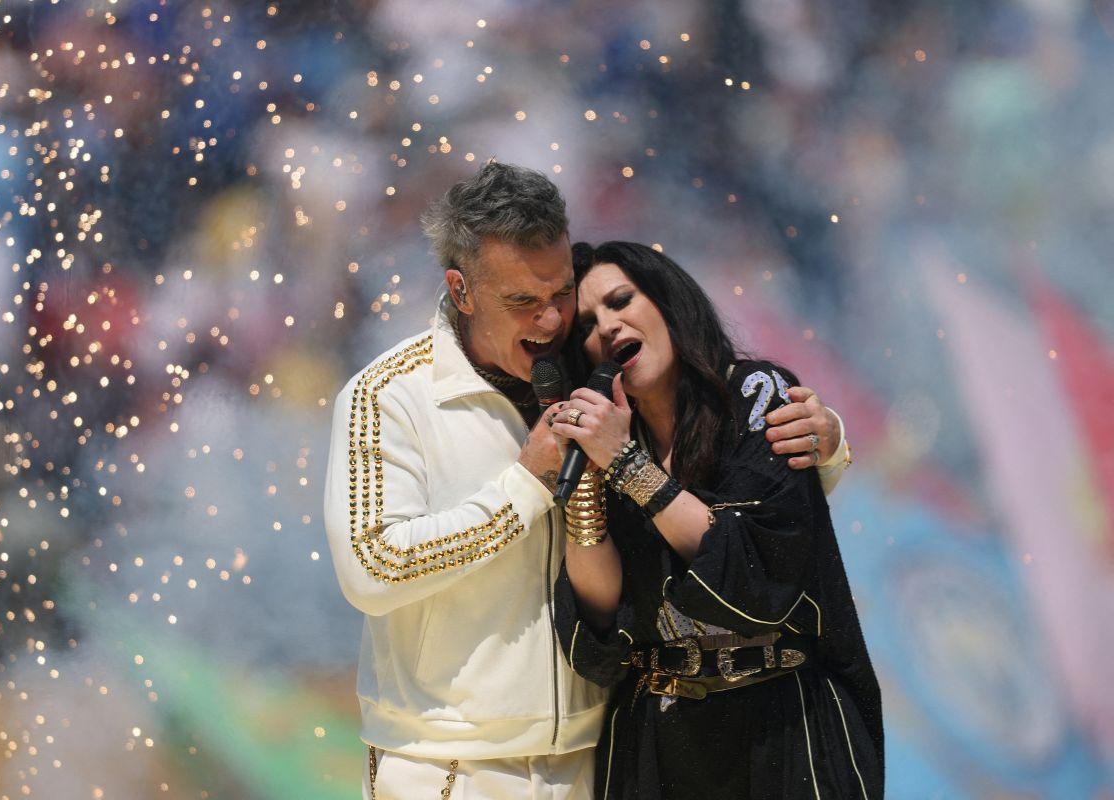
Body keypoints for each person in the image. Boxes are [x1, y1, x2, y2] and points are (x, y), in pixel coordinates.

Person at [324, 163, 854, 799]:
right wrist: (526, 484)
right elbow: (372, 567)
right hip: (449, 764)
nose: (550, 322)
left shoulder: (590, 375)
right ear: (461, 291)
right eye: (522, 301)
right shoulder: (391, 394)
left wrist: (824, 443)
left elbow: (725, 490)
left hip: (593, 757)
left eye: (560, 296)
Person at [548, 241, 882, 799]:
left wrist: (629, 467)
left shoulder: (756, 395)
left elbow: (753, 576)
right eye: (586, 323)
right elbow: (602, 626)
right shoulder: (607, 441)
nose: (607, 327)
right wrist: (588, 476)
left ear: (667, 300)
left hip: (782, 729)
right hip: (658, 737)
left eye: (621, 300)